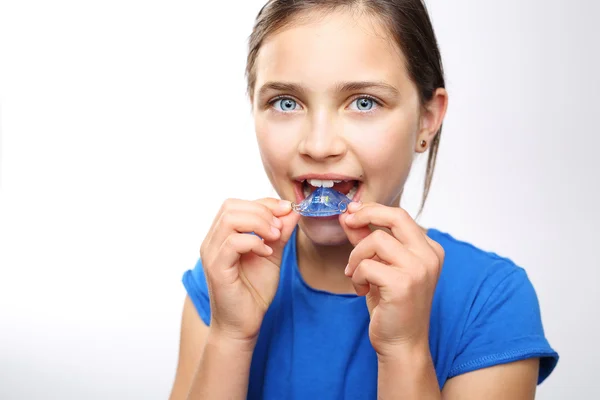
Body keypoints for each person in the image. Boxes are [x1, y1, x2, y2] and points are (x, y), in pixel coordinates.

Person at [169, 1, 559, 398]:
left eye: (364, 102)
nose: (319, 145)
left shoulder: (490, 299)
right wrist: (230, 337)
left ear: (428, 119)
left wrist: (403, 350)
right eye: (286, 102)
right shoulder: (224, 276)